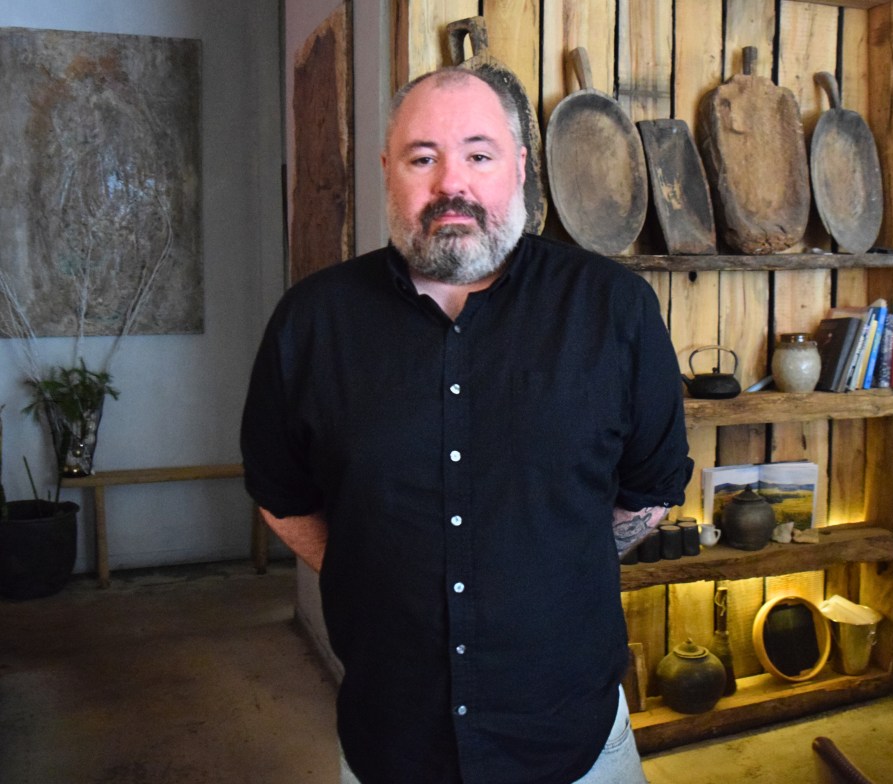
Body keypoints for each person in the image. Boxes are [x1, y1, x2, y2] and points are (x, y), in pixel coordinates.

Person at [241, 67, 693, 784]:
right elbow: (282, 492)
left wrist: (550, 567)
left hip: (570, 735)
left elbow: (649, 488)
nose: (453, 184)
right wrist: (379, 569)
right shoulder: (312, 321)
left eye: (479, 155)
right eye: (423, 157)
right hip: (393, 738)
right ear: (387, 170)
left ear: (519, 167)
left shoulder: (616, 310)